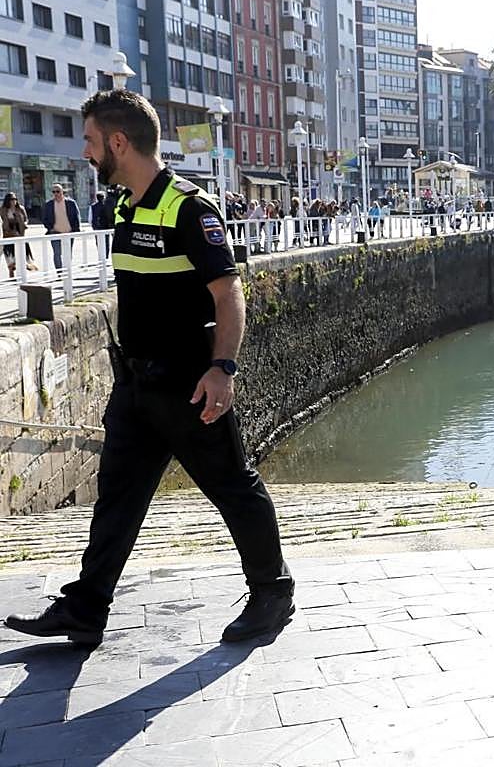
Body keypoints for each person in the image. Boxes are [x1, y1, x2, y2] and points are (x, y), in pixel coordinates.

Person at [4, 89, 294, 647]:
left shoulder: (188, 207)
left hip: (188, 382)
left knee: (232, 486)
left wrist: (223, 369)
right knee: (117, 494)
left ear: (119, 141)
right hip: (134, 384)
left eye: (90, 140)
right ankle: (86, 608)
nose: (85, 151)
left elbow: (229, 294)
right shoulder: (124, 207)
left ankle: (271, 593)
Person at [42, 182, 81, 272]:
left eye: (58, 191)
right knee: (57, 253)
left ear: (62, 192)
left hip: (69, 232)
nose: (56, 194)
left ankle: (67, 271)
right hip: (55, 232)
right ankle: (60, 273)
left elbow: (76, 216)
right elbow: (44, 218)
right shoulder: (49, 205)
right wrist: (50, 228)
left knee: (68, 253)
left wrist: (76, 229)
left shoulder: (71, 203)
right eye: (54, 192)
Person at [2, 192, 36, 277]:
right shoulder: (3, 209)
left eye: (15, 199)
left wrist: (24, 223)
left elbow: (26, 219)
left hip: (19, 233)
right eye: (11, 200)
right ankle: (11, 271)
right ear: (7, 201)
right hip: (8, 234)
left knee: (21, 253)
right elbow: (3, 221)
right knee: (9, 255)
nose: (14, 201)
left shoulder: (20, 208)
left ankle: (25, 267)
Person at [90, 187, 117, 262]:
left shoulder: (93, 206)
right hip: (106, 227)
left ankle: (102, 257)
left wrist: (93, 225)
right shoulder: (107, 205)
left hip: (97, 227)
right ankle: (106, 257)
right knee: (106, 242)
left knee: (99, 242)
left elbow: (90, 218)